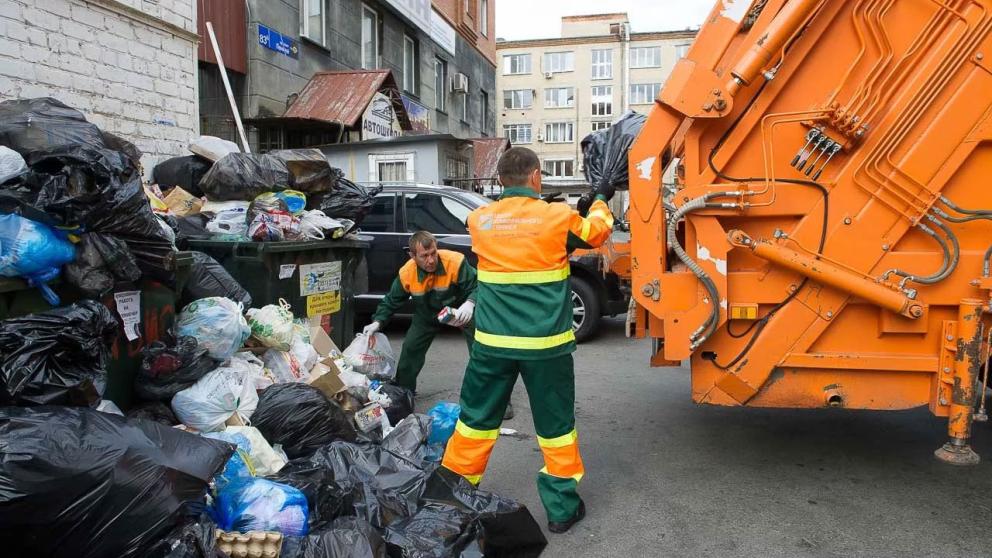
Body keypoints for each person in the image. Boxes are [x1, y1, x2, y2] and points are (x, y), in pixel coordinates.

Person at [440, 147, 615, 534]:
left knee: (474, 423)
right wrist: (600, 198)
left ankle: (454, 499)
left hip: (491, 345)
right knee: (556, 430)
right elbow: (597, 231)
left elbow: (512, 239)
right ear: (536, 176)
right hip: (545, 348)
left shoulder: (479, 219)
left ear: (500, 179)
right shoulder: (557, 217)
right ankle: (561, 510)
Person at [362, 231, 477, 395]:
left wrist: (470, 304)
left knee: (482, 349)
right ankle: (403, 392)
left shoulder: (455, 262)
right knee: (410, 349)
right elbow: (392, 300)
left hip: (461, 310)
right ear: (412, 256)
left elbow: (477, 286)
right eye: (424, 256)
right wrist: (377, 322)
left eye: (433, 253)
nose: (431, 260)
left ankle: (492, 397)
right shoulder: (407, 273)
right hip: (427, 315)